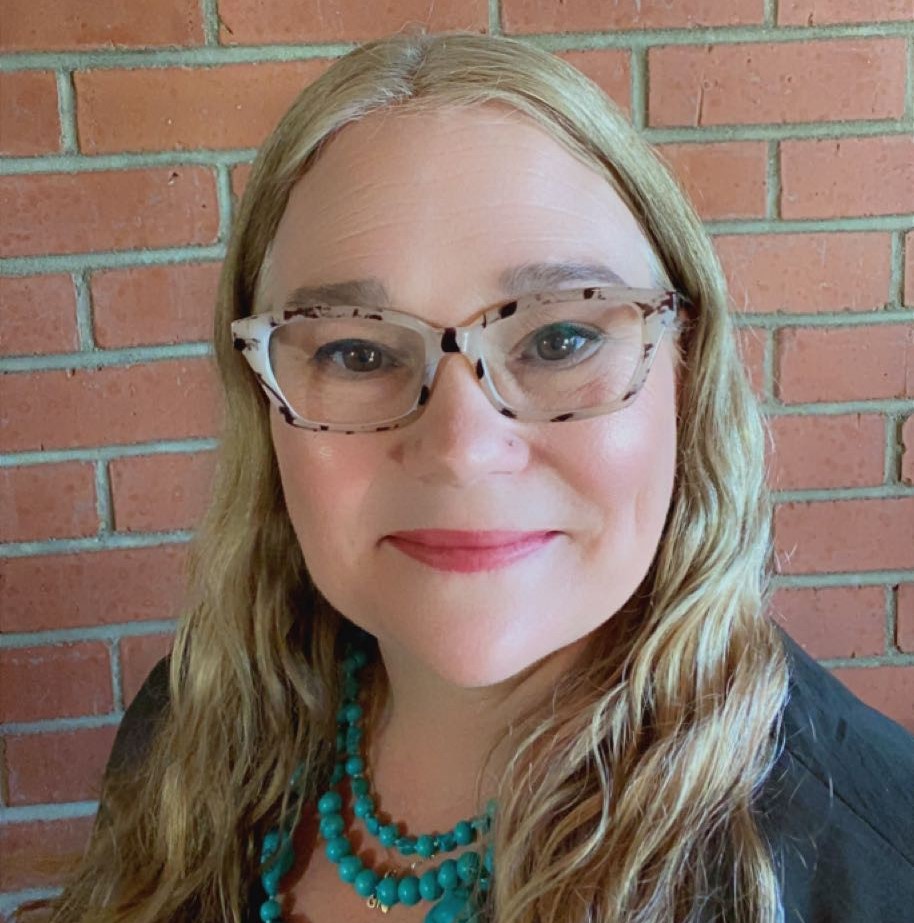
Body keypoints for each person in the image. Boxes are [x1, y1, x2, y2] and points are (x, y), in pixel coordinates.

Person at [33, 29, 913, 923]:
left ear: (685, 372)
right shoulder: (184, 732)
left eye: (560, 338)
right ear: (264, 400)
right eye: (356, 348)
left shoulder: (877, 863)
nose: (460, 445)